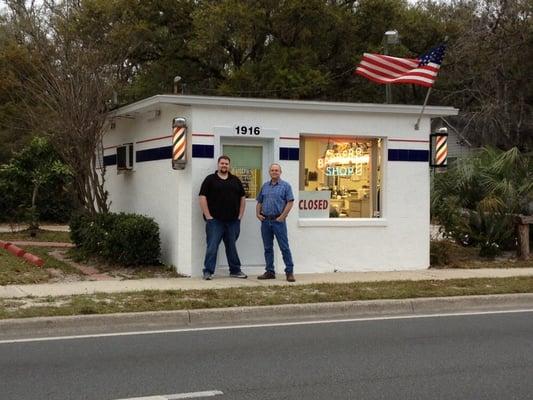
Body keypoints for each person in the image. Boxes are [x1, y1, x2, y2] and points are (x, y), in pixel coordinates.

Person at [199, 155, 247, 280]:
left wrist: (240, 216)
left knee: (231, 247)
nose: (224, 165)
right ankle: (208, 271)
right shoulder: (210, 179)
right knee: (212, 247)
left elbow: (242, 197)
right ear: (218, 165)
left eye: (226, 164)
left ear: (229, 165)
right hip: (215, 221)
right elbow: (202, 197)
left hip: (232, 221)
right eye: (222, 163)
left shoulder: (235, 180)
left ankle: (235, 270)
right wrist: (208, 216)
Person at [256, 163, 296, 282]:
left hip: (278, 221)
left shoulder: (285, 186)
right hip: (266, 221)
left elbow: (290, 202)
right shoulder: (265, 186)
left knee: (284, 247)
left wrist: (283, 216)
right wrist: (257, 214)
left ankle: (289, 272)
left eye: (276, 170)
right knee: (268, 248)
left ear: (280, 172)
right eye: (272, 170)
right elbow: (259, 201)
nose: (274, 172)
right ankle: (269, 271)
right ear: (269, 172)